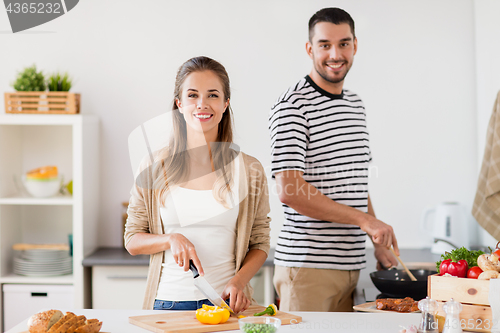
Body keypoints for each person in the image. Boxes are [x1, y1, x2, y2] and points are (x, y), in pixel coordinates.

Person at [269, 7, 400, 312]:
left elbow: (355, 182)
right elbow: (290, 190)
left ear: (355, 45)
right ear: (309, 48)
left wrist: (378, 245)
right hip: (308, 268)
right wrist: (365, 221)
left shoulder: (355, 104)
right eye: (325, 45)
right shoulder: (293, 104)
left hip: (351, 265)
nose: (335, 54)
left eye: (343, 43)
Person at [125, 56, 271, 313]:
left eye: (213, 95)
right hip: (168, 304)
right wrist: (170, 239)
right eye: (192, 95)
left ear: (226, 103)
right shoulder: (153, 166)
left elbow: (260, 243)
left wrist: (239, 280)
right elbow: (132, 239)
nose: (202, 104)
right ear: (179, 103)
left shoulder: (249, 169)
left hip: (225, 306)